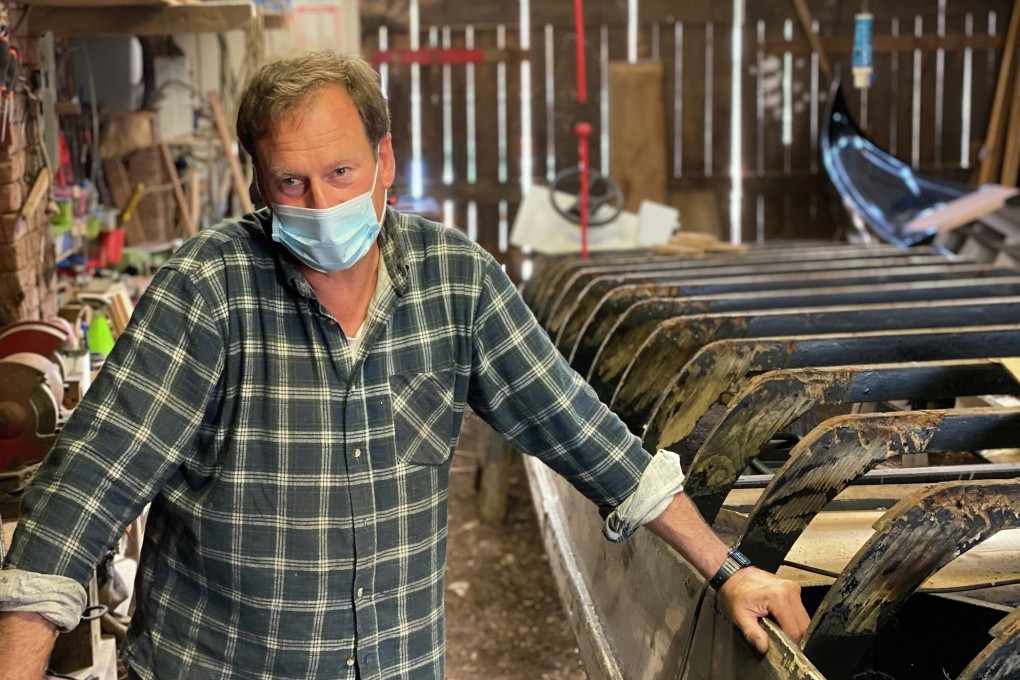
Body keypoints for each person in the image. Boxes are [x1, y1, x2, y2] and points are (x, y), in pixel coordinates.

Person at [0, 51, 808, 679]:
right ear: (259, 182)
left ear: (385, 161)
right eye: (293, 182)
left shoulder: (458, 281)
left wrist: (731, 570)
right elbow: (73, 510)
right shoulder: (205, 293)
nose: (320, 204)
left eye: (342, 173)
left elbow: (586, 435)